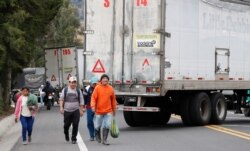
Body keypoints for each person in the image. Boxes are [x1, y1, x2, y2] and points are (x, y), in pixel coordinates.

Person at [91, 74, 116, 145]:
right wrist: (93, 106)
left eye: (106, 79)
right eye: (104, 78)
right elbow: (93, 98)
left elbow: (113, 100)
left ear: (108, 80)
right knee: (97, 126)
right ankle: (97, 135)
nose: (105, 80)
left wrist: (114, 110)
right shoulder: (97, 88)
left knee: (107, 125)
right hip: (99, 111)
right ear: (101, 80)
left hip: (108, 111)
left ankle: (104, 140)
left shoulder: (110, 88)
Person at [59, 76, 85, 144]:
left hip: (76, 110)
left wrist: (81, 110)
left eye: (74, 82)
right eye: (72, 82)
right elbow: (61, 99)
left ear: (76, 83)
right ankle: (66, 133)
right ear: (69, 83)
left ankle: (74, 138)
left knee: (75, 124)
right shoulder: (65, 90)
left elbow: (81, 101)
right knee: (66, 125)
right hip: (67, 111)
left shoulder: (78, 91)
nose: (73, 84)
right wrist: (61, 107)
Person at [84, 76, 98, 141]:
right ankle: (92, 135)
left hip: (98, 107)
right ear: (91, 83)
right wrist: (84, 106)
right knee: (90, 121)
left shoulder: (99, 88)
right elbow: (84, 98)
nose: (94, 85)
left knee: (98, 122)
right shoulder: (87, 89)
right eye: (93, 83)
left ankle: (97, 135)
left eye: (95, 83)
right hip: (89, 107)